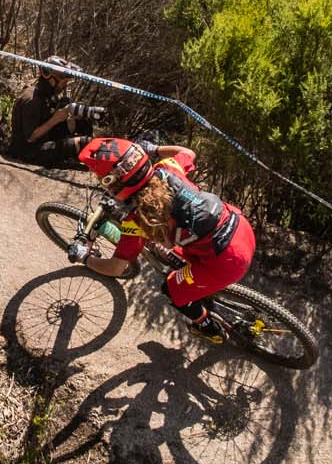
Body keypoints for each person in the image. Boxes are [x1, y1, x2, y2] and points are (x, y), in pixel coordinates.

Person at [72, 137, 255, 341]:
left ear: (113, 183)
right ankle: (200, 285)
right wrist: (155, 149)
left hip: (227, 260)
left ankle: (206, 326)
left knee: (172, 289)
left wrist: (84, 257)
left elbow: (116, 268)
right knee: (177, 255)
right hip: (239, 226)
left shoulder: (137, 220)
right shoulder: (167, 168)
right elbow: (189, 152)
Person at [8, 59, 106, 168]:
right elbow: (31, 137)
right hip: (29, 151)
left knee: (83, 123)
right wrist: (56, 119)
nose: (64, 86)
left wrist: (72, 116)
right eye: (63, 83)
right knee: (84, 142)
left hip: (45, 137)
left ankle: (75, 154)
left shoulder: (46, 95)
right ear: (51, 80)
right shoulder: (32, 100)